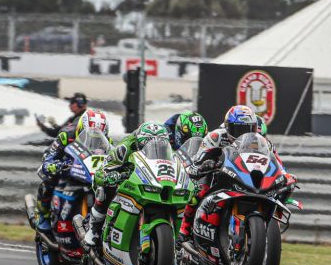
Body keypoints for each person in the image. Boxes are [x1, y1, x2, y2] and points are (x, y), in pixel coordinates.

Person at [178, 105, 265, 243]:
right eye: (239, 129)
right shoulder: (215, 137)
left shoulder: (259, 141)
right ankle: (184, 231)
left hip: (245, 177)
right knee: (197, 191)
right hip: (219, 175)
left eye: (248, 129)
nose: (243, 134)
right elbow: (197, 163)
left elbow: (273, 160)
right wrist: (205, 165)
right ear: (228, 127)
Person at [82, 121, 168, 247]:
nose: (155, 149)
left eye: (160, 146)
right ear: (138, 144)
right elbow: (101, 172)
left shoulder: (167, 150)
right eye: (147, 146)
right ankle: (94, 229)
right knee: (105, 190)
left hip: (151, 181)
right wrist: (112, 176)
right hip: (125, 177)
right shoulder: (125, 147)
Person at [32, 109, 109, 232]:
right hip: (66, 164)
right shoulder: (66, 135)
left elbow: (112, 157)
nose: (95, 139)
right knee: (49, 179)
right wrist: (56, 165)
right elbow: (48, 158)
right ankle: (42, 214)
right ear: (80, 128)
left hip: (89, 171)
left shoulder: (106, 141)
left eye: (98, 136)